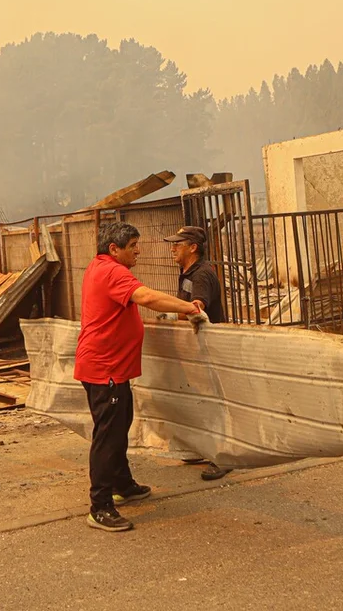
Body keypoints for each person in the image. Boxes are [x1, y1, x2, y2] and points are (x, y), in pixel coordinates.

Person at [75, 221, 205, 533]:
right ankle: (100, 505)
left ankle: (122, 482)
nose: (138, 251)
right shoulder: (112, 271)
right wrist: (188, 308)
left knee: (120, 424)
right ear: (114, 249)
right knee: (108, 435)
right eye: (133, 246)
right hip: (105, 368)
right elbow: (145, 297)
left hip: (109, 368)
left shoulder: (99, 266)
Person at [164, 225, 232, 481]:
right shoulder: (187, 272)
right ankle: (202, 448)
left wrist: (172, 312)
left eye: (178, 244)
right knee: (198, 399)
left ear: (193, 247)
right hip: (197, 346)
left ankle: (223, 456)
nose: (173, 248)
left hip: (210, 346)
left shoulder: (202, 274)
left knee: (213, 401)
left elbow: (196, 307)